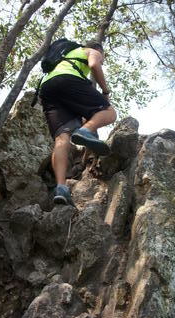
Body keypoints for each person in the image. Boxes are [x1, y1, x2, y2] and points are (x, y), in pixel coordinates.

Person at [39, 40, 117, 206]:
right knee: (109, 113)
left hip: (47, 89)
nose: (102, 60)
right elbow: (95, 65)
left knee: (62, 138)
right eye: (103, 57)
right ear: (99, 50)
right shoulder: (91, 51)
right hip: (68, 80)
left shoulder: (64, 57)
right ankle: (85, 131)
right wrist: (105, 91)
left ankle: (61, 187)